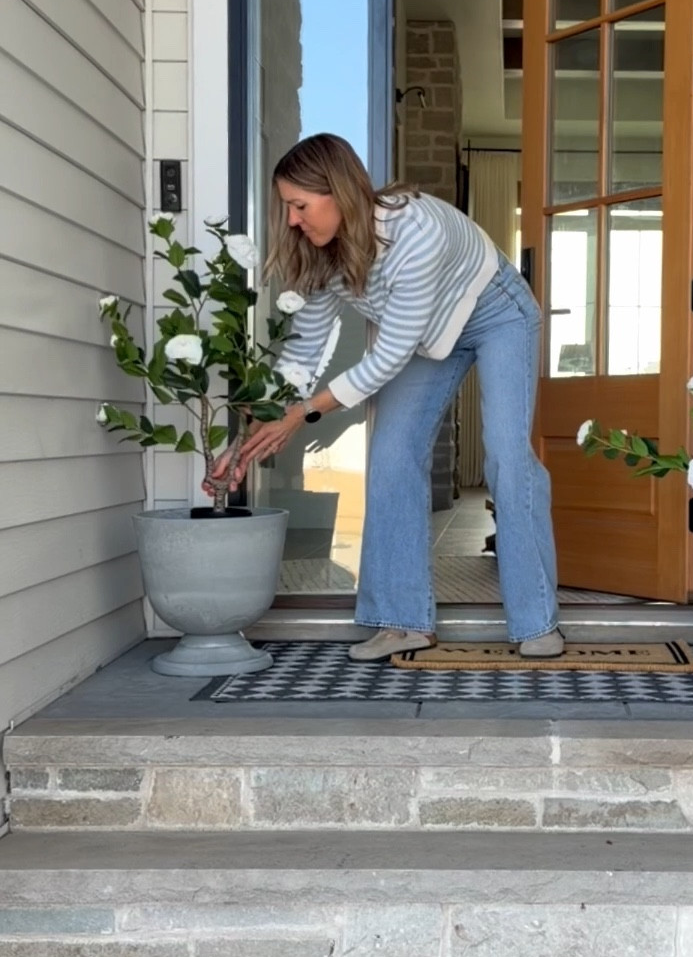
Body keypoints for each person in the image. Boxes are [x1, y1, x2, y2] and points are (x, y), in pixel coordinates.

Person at [212, 133, 563, 661]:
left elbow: (391, 353)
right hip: (424, 337)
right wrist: (248, 438)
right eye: (287, 207)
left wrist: (303, 414)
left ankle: (537, 622)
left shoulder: (413, 230)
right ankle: (402, 622)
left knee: (508, 458)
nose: (291, 220)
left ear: (337, 191)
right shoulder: (322, 255)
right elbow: (303, 353)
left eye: (299, 205)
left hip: (495, 315)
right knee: (392, 455)